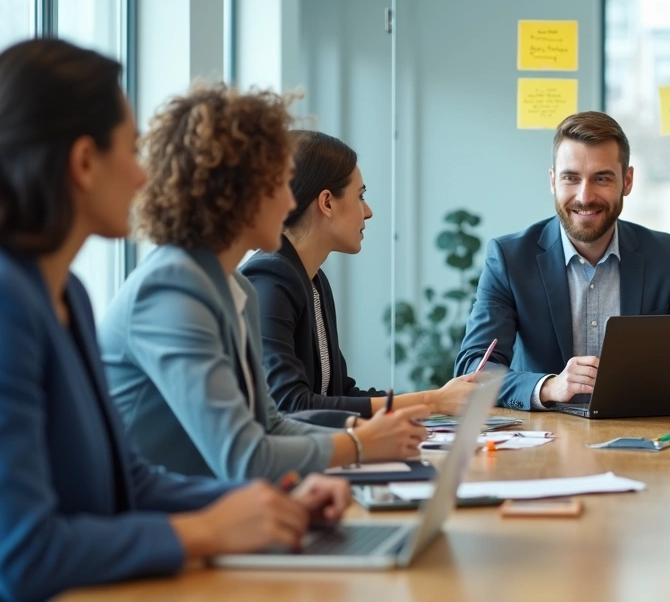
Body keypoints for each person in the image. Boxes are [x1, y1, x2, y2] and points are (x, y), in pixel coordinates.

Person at [0, 38, 348, 602]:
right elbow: (23, 554)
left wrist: (265, 507)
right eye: (132, 151)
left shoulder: (68, 296)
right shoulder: (10, 305)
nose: (144, 177)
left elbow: (128, 482)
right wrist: (208, 529)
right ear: (84, 163)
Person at [100, 83, 429, 481]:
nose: (291, 202)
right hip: (161, 521)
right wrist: (359, 444)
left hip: (207, 506)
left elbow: (270, 425)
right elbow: (245, 456)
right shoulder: (171, 291)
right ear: (236, 193)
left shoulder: (233, 287)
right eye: (278, 183)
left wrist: (361, 433)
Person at [456, 111, 670, 410]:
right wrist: (548, 386)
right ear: (552, 181)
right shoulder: (509, 259)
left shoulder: (667, 256)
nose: (584, 196)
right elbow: (473, 372)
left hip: (642, 436)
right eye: (571, 178)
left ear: (627, 181)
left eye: (601, 178)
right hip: (541, 444)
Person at [242, 130, 477, 427]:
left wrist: (433, 403)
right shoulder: (269, 278)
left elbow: (338, 393)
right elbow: (290, 404)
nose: (368, 212)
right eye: (360, 196)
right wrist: (431, 401)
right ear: (327, 202)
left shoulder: (314, 280)